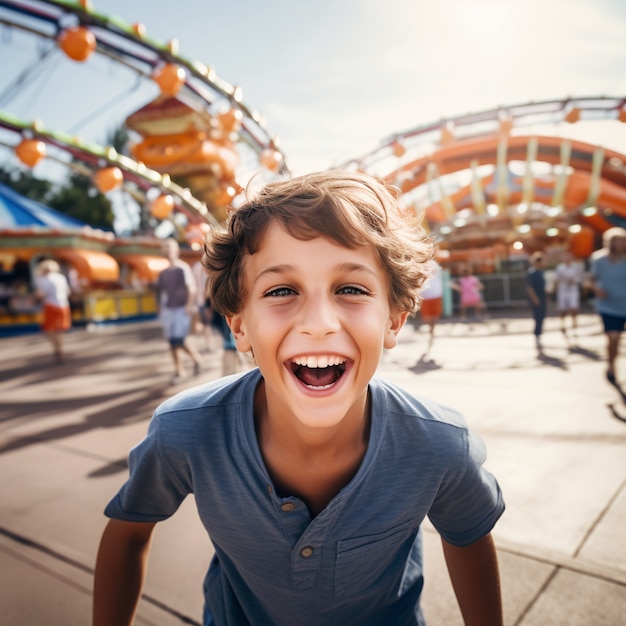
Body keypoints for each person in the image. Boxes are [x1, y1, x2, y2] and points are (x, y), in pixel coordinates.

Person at [94, 171, 505, 626]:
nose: (318, 322)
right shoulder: (186, 432)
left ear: (393, 320)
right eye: (281, 291)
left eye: (351, 289)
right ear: (240, 326)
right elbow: (128, 535)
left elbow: (468, 538)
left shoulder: (439, 444)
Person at [156, 238, 202, 383]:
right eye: (166, 250)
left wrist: (188, 306)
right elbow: (161, 292)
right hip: (169, 310)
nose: (168, 252)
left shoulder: (183, 268)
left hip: (181, 309)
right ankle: (179, 370)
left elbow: (191, 288)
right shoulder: (163, 273)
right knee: (172, 342)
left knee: (180, 340)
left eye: (170, 249)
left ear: (175, 251)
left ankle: (196, 359)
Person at [589, 226, 626, 386]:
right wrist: (597, 289)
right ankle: (611, 366)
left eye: (623, 240)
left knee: (618, 339)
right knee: (613, 336)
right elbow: (590, 280)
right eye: (618, 240)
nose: (621, 243)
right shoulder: (599, 259)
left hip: (624, 303)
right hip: (608, 305)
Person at [34, 259, 72, 363]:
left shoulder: (42, 279)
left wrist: (34, 299)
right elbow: (68, 292)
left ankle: (56, 348)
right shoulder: (61, 278)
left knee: (50, 329)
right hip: (64, 305)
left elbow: (40, 294)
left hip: (50, 306)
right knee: (60, 330)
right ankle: (60, 349)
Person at [554, 250, 583, 335]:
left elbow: (580, 278)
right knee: (563, 309)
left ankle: (574, 322)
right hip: (563, 291)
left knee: (574, 307)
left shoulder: (576, 267)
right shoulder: (560, 268)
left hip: (573, 290)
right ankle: (562, 324)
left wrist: (574, 280)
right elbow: (556, 279)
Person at [418, 257, 443, 348]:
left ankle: (431, 331)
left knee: (434, 315)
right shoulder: (420, 264)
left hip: (435, 293)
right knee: (427, 317)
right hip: (426, 294)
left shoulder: (433, 264)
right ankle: (430, 330)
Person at [525, 251, 547, 352]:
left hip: (542, 297)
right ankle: (537, 334)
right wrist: (534, 298)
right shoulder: (532, 272)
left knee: (542, 316)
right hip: (536, 298)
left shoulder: (541, 272)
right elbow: (529, 287)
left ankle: (539, 334)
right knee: (538, 317)